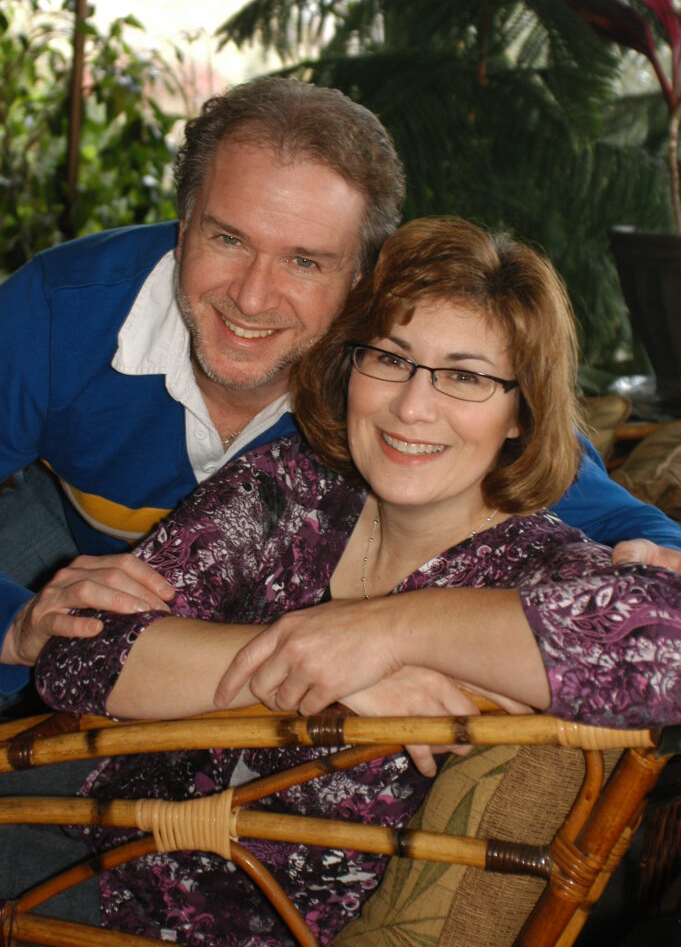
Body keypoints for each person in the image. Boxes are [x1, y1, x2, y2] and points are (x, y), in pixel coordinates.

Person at [19, 217, 681, 946]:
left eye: (465, 375)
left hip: (257, 927)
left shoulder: (544, 575)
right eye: (390, 359)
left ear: (521, 411)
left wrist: (384, 632)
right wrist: (314, 668)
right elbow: (81, 653)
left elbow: (664, 650)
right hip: (98, 857)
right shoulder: (287, 492)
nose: (412, 405)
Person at [2, 77, 681, 713]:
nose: (252, 296)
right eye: (227, 238)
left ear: (361, 276)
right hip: (63, 545)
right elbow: (77, 651)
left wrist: (379, 637)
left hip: (210, 656)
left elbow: (638, 547)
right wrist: (14, 627)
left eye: (306, 261)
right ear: (183, 229)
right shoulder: (60, 311)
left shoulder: (395, 391)